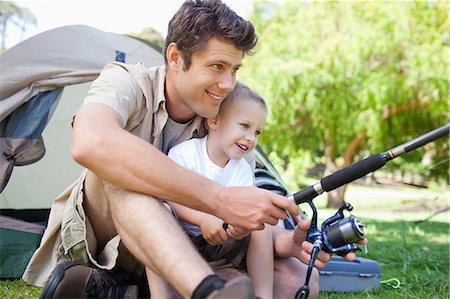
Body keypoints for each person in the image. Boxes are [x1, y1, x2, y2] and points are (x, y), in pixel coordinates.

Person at [22, 1, 364, 298]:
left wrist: (283, 241)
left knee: (294, 280)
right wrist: (217, 200)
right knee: (132, 174)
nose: (228, 84)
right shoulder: (124, 81)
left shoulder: (226, 112)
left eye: (234, 70)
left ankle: (119, 293)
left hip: (189, 251)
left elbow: (245, 186)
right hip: (109, 241)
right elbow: (91, 142)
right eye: (217, 66)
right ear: (175, 57)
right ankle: (205, 289)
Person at [148, 82, 274, 299]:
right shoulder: (186, 154)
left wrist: (240, 228)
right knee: (160, 211)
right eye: (244, 126)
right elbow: (171, 196)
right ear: (215, 120)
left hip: (218, 243)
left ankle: (264, 295)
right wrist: (203, 220)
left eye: (257, 132)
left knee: (261, 229)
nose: (251, 138)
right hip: (180, 238)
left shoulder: (242, 169)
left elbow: (241, 212)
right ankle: (159, 295)